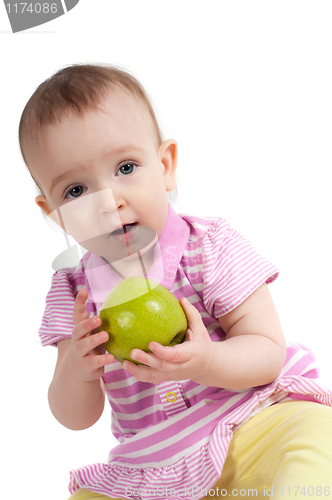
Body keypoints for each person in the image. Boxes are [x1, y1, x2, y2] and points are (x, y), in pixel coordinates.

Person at [19, 64, 332, 500]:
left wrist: (207, 362)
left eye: (126, 167)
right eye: (75, 191)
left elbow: (267, 352)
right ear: (52, 212)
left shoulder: (207, 247)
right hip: (156, 467)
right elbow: (74, 416)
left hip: (255, 422)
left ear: (165, 166)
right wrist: (77, 370)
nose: (111, 202)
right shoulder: (75, 293)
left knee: (316, 437)